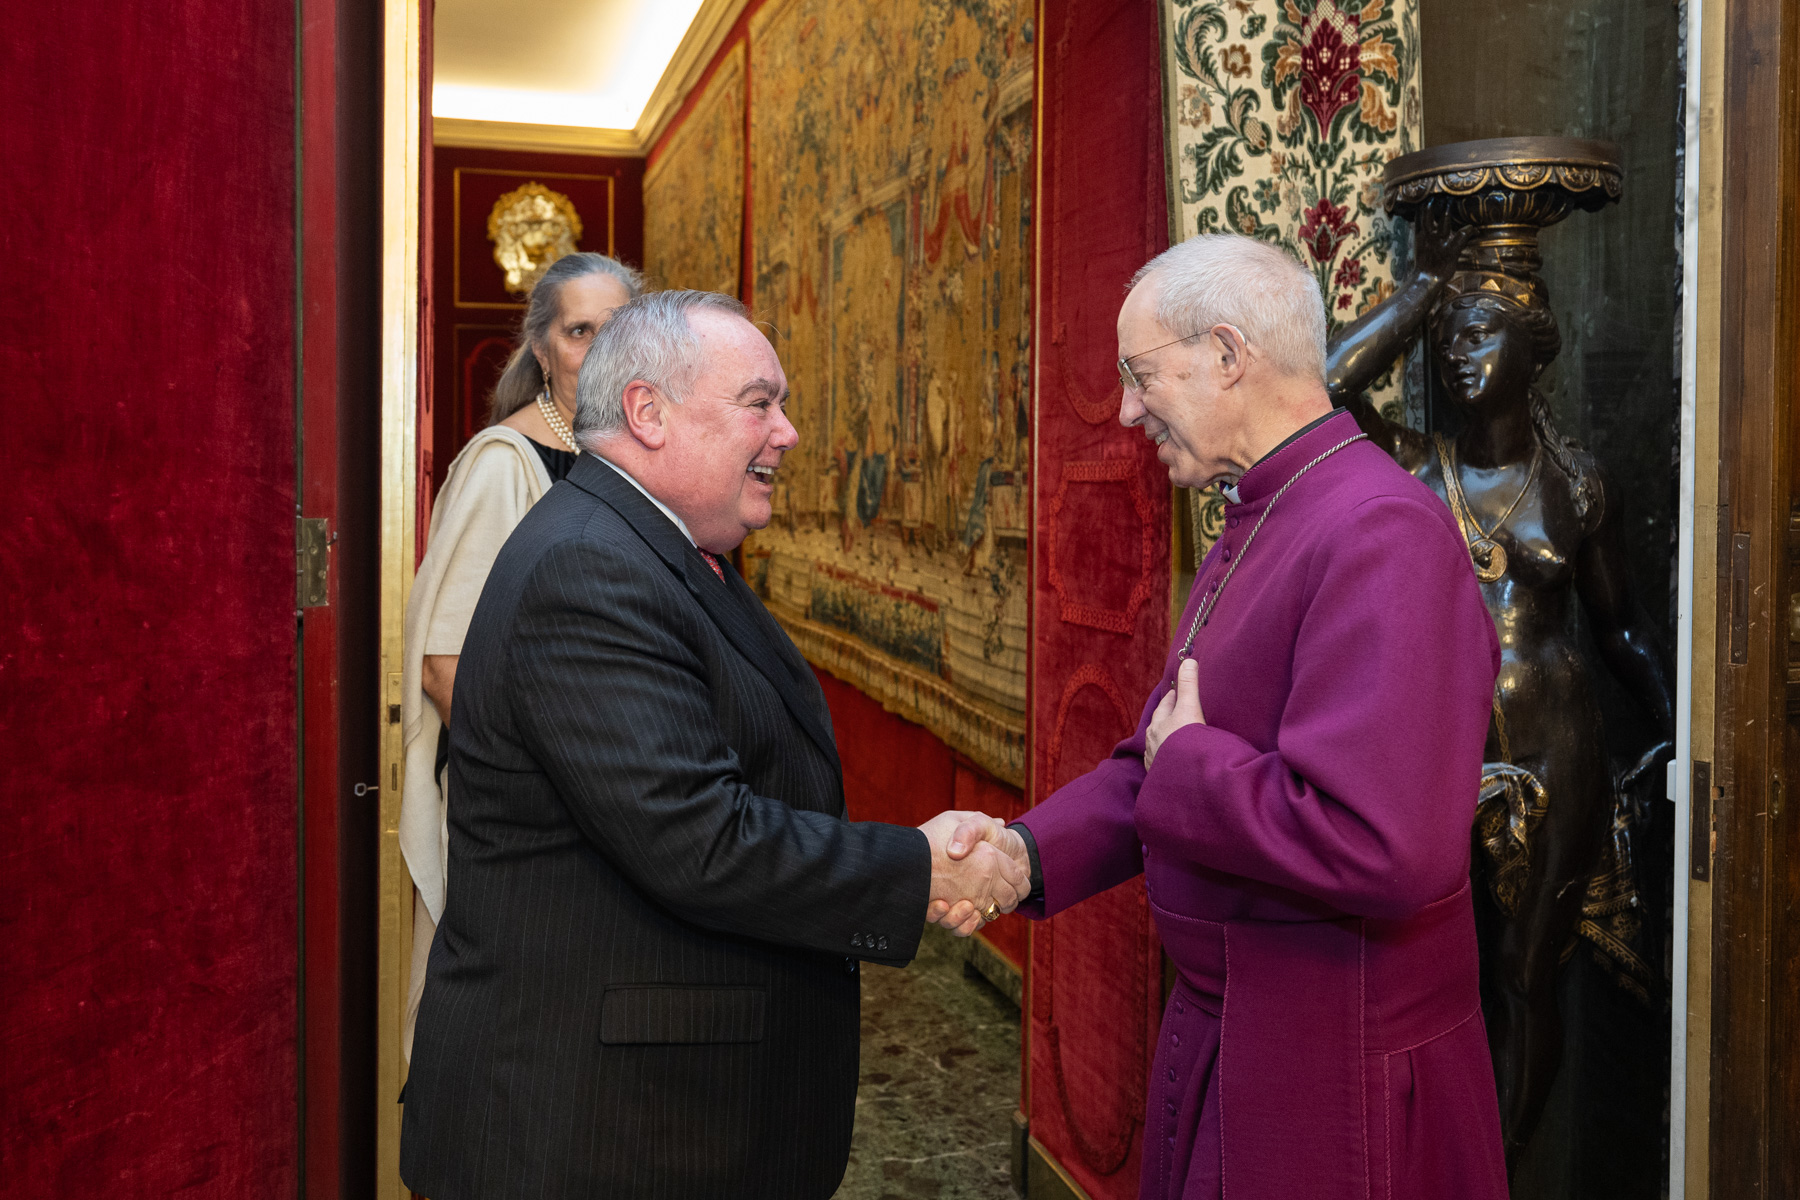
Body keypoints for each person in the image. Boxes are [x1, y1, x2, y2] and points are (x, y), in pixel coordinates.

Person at [398, 289, 1027, 1200]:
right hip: (588, 1133)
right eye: (760, 402)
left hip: (652, 1118)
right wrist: (919, 867)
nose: (790, 433)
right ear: (648, 412)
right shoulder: (590, 566)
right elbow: (698, 837)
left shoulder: (665, 548)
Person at [950, 234, 1509, 1199]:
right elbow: (1153, 763)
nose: (1125, 409)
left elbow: (1383, 845)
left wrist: (1195, 765)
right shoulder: (1266, 508)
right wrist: (1022, 856)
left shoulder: (1379, 533)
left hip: (1332, 1066)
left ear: (1226, 353)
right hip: (1238, 1032)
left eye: (1139, 374)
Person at [1325, 206, 1674, 1168]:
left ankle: (1503, 1173)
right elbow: (1328, 384)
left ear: (1534, 346)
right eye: (1447, 342)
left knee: (1530, 974)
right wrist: (1434, 286)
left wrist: (1683, 736)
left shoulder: (1576, 486)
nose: (1457, 357)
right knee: (1429, 965)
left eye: (1482, 333)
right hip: (1437, 742)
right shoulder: (1413, 469)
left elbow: (1625, 629)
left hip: (1556, 740)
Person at [398, 251, 642, 1059]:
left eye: (620, 330)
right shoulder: (506, 465)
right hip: (536, 829)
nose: (603, 349)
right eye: (581, 331)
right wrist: (561, 789)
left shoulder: (632, 469)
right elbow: (446, 670)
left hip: (614, 817)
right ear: (543, 350)